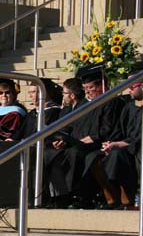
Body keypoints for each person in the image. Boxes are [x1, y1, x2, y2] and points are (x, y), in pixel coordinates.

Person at [45, 65, 124, 208]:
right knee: (52, 153)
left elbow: (107, 129)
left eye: (91, 88)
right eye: (85, 88)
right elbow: (75, 125)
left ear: (102, 85)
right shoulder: (84, 104)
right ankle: (57, 196)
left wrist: (89, 139)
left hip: (97, 143)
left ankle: (77, 196)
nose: (88, 92)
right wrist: (63, 140)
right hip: (79, 143)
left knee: (75, 153)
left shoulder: (111, 102)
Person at [98, 73, 143, 209]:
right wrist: (111, 142)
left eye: (132, 86)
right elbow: (119, 130)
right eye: (127, 87)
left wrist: (123, 144)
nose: (128, 90)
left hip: (138, 146)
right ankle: (113, 197)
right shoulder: (128, 108)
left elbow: (141, 136)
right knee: (94, 156)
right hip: (125, 145)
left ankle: (132, 197)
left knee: (119, 155)